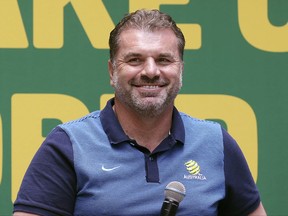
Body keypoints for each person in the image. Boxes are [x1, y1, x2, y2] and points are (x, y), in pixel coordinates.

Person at [13, 9, 266, 216]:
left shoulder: (216, 143)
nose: (151, 71)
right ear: (112, 71)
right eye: (134, 60)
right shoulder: (68, 144)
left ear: (180, 70)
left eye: (164, 60)